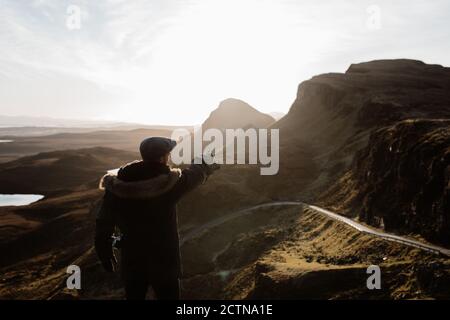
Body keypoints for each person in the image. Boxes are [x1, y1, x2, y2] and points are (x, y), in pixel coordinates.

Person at [95, 137, 219, 300]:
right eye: (168, 154)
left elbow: (104, 221)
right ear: (162, 158)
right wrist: (204, 163)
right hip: (165, 264)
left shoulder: (116, 186)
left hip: (133, 263)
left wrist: (103, 249)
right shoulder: (170, 184)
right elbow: (194, 175)